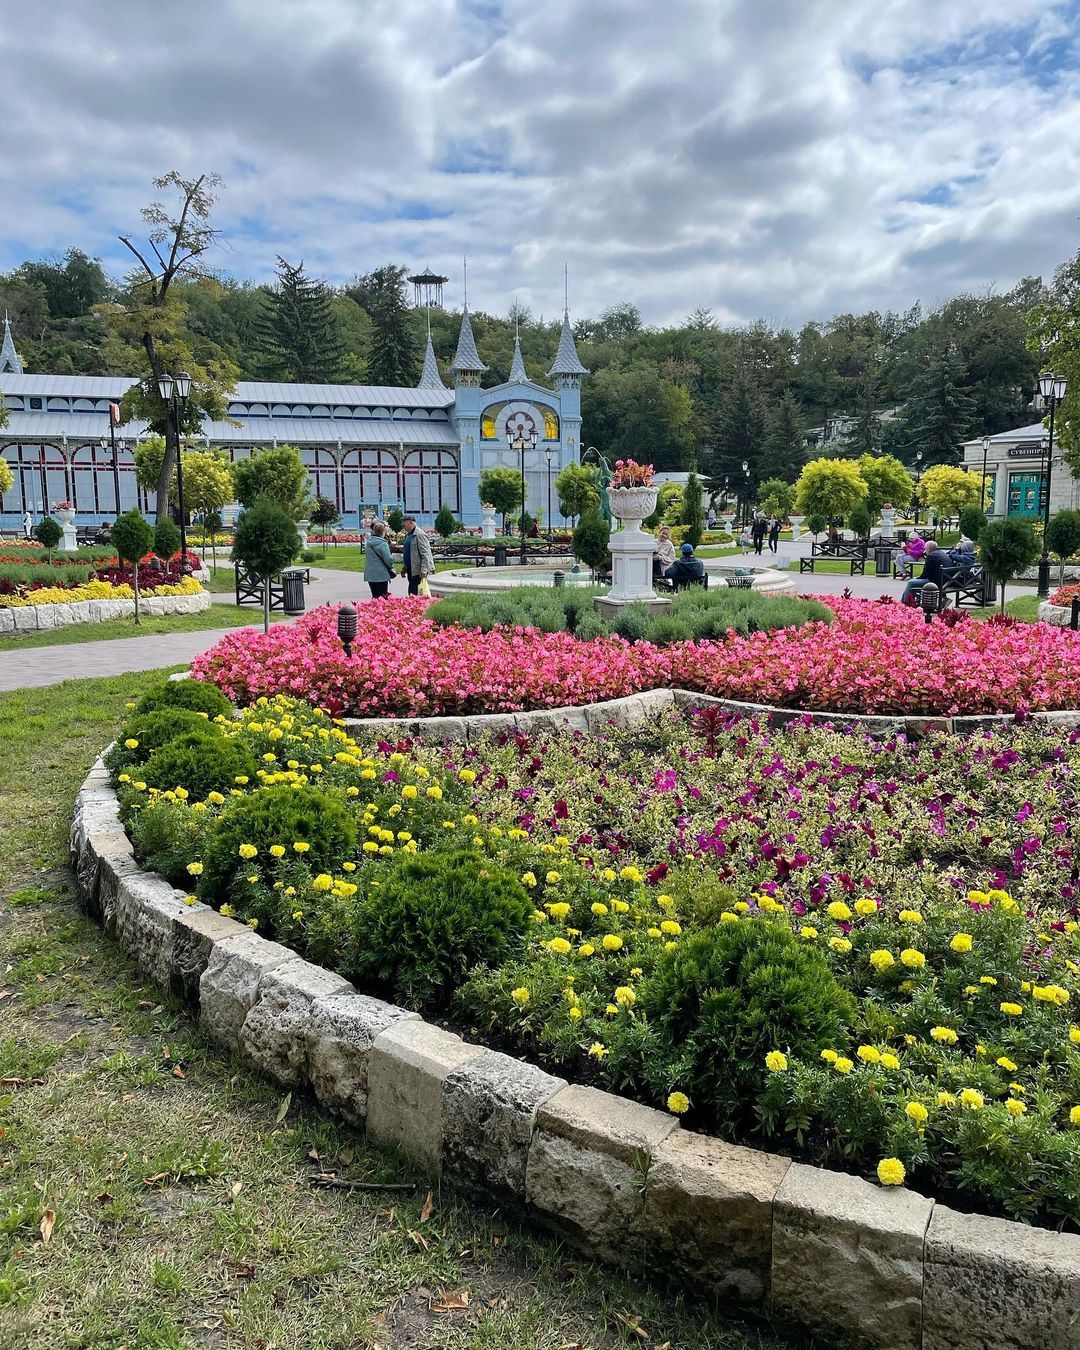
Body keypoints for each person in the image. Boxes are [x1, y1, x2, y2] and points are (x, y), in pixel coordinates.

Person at [901, 540, 947, 605]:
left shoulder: (931, 556)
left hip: (936, 582)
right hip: (945, 580)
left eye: (925, 549)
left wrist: (918, 578)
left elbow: (925, 573)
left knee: (911, 583)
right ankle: (910, 602)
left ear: (928, 549)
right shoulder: (941, 553)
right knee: (914, 582)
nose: (924, 551)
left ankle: (904, 603)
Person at [401, 515, 435, 596]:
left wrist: (424, 569)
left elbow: (426, 553)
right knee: (412, 592)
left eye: (404, 523)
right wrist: (404, 567)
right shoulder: (408, 535)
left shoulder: (420, 534)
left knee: (415, 593)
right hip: (411, 569)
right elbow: (407, 552)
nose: (402, 525)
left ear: (410, 522)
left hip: (418, 571)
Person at [363, 519, 395, 599]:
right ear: (383, 532)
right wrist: (392, 564)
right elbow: (388, 560)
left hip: (370, 573)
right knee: (383, 596)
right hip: (381, 574)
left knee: (374, 596)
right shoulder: (383, 544)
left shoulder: (369, 542)